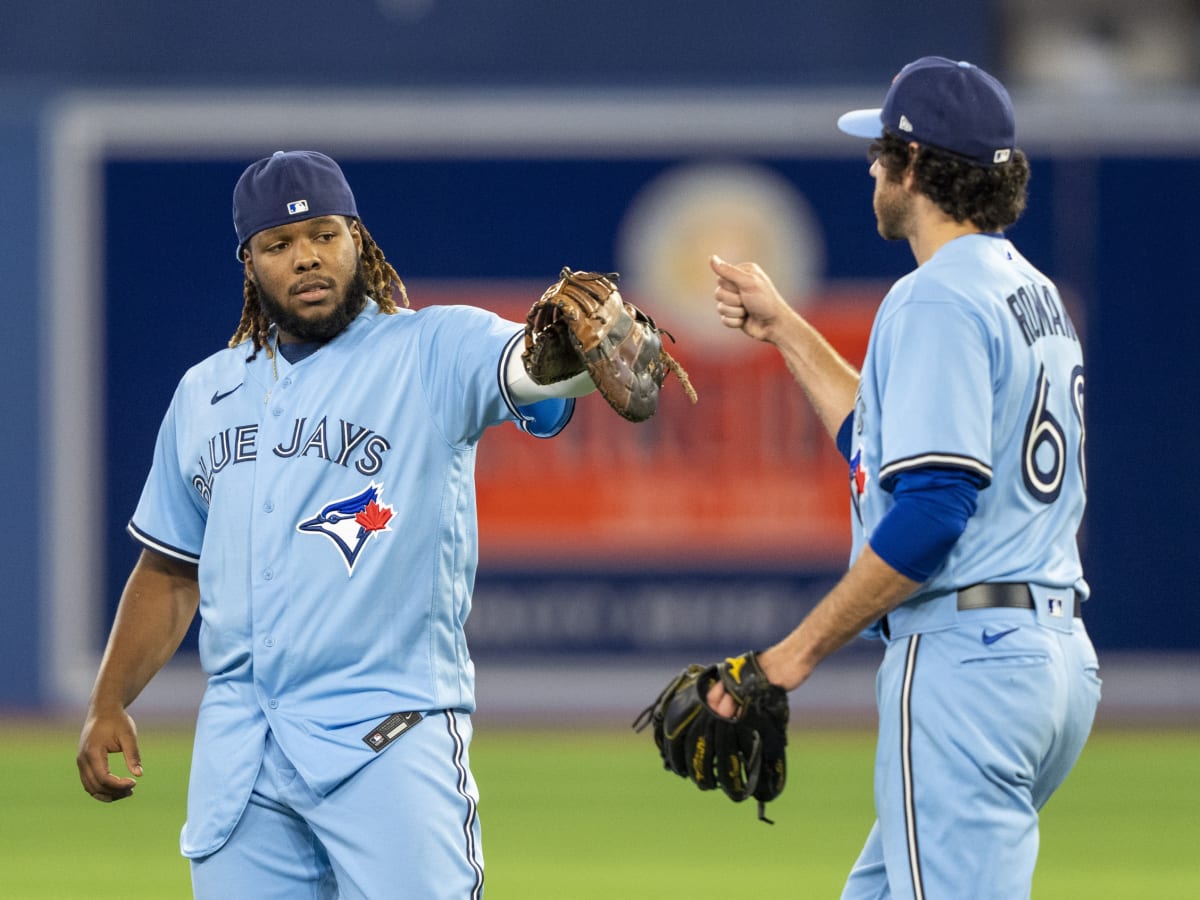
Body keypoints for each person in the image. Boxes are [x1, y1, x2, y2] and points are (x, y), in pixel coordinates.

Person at [76, 150, 603, 899]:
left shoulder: (432, 348)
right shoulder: (206, 392)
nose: (306, 258)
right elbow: (169, 572)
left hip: (387, 738)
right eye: (279, 245)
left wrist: (568, 355)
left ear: (359, 239)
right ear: (249, 263)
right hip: (242, 758)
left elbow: (527, 371)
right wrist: (108, 701)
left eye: (324, 234)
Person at [708, 57, 1101, 898]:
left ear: (916, 168)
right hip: (1051, 659)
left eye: (884, 150)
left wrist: (790, 657)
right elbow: (890, 447)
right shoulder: (1028, 292)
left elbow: (931, 511)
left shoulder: (936, 299)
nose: (873, 167)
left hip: (970, 664)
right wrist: (784, 329)